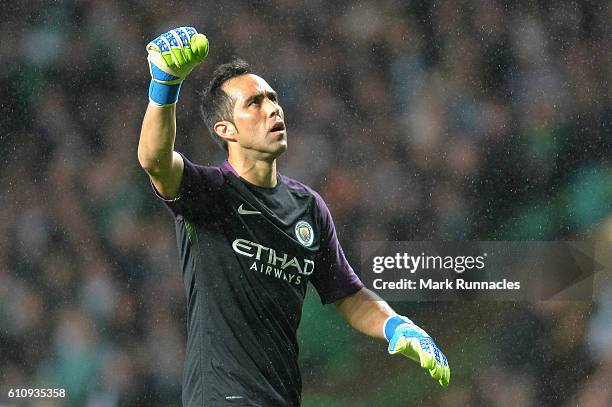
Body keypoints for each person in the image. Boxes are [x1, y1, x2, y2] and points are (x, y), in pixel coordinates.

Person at [138, 27, 450, 406]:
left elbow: (347, 293)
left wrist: (396, 324)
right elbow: (154, 159)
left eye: (273, 98)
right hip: (220, 397)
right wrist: (165, 86)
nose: (272, 108)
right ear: (225, 130)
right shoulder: (209, 194)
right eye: (254, 103)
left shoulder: (308, 207)